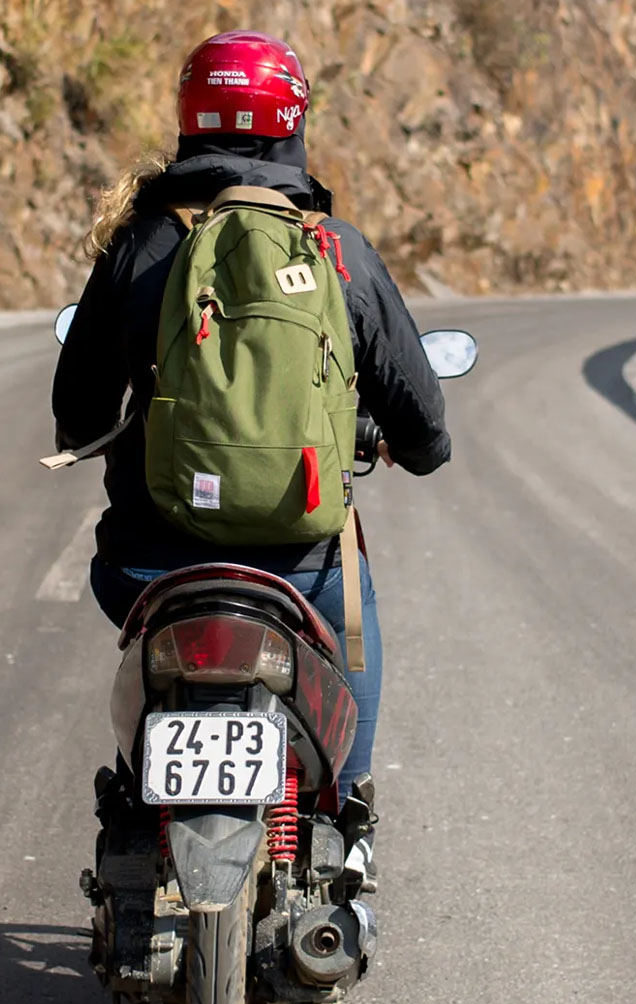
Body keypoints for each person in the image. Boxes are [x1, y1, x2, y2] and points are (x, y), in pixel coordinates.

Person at [51, 30, 450, 843]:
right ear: (292, 126)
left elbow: (78, 418)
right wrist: (397, 441)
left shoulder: (140, 244)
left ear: (187, 120)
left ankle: (140, 807)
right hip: (303, 567)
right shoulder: (336, 252)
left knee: (131, 622)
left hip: (149, 564)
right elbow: (427, 431)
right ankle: (346, 820)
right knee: (352, 629)